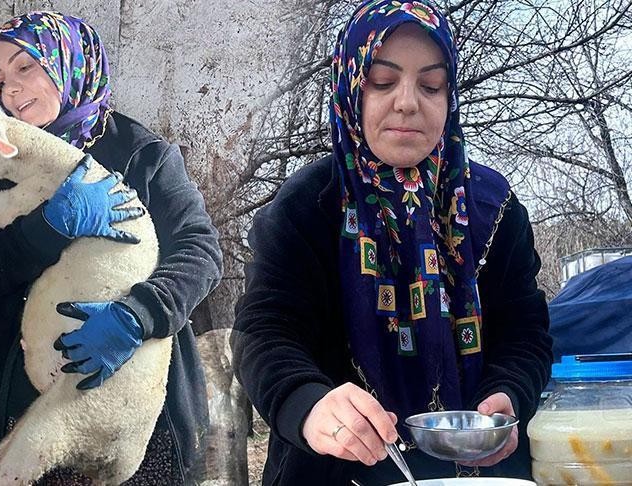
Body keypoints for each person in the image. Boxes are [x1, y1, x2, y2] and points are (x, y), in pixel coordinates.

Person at [232, 1, 553, 484]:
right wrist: (309, 403)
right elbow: (264, 332)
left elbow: (526, 333)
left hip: (483, 475)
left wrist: (511, 393)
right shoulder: (306, 207)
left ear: (450, 97)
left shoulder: (494, 209)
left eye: (431, 85)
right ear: (350, 90)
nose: (407, 102)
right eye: (382, 81)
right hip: (331, 473)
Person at [0, 11, 223, 485]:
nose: (11, 91)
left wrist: (138, 314)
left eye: (25, 68)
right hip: (19, 386)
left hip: (128, 382)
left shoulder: (143, 155)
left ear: (68, 63)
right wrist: (48, 225)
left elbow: (200, 250)